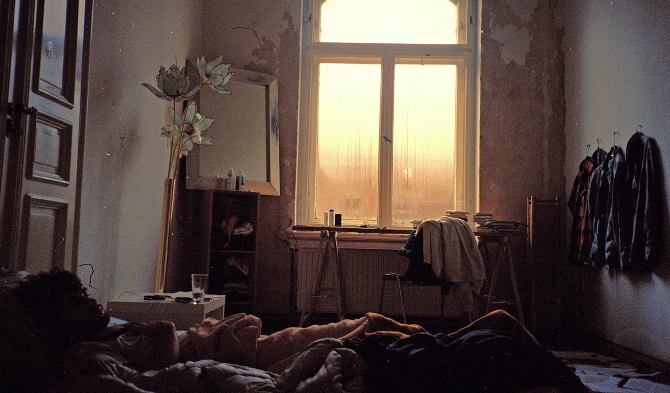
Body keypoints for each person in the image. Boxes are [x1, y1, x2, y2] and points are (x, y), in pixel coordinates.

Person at [14, 268, 586, 392]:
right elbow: (167, 367)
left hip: (253, 350)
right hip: (253, 361)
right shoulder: (89, 355)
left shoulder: (111, 331)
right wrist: (160, 327)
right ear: (53, 319)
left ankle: (446, 343)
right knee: (379, 329)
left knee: (383, 327)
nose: (91, 301)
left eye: (87, 293)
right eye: (76, 301)